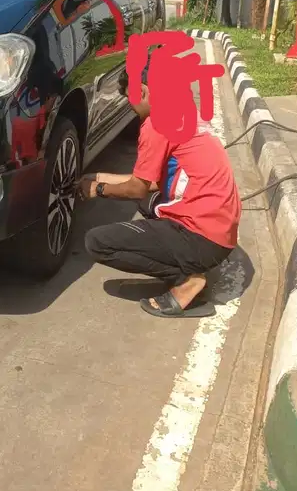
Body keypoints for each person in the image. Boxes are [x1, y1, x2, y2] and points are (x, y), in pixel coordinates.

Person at [79, 62, 241, 318]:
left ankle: (188, 280)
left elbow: (135, 189)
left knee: (97, 242)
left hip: (201, 237)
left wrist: (98, 189)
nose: (133, 110)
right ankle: (187, 262)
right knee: (149, 202)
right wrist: (99, 176)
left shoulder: (157, 124)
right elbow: (149, 182)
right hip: (220, 232)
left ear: (142, 91)